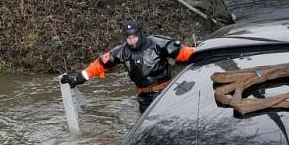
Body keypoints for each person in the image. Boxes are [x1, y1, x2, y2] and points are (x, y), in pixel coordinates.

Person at [61, 20, 196, 113]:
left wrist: (203, 54)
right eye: (129, 38)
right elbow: (98, 66)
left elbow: (184, 53)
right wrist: (77, 80)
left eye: (134, 37)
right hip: (144, 97)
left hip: (166, 92)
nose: (132, 41)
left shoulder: (157, 43)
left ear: (140, 34)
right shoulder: (121, 52)